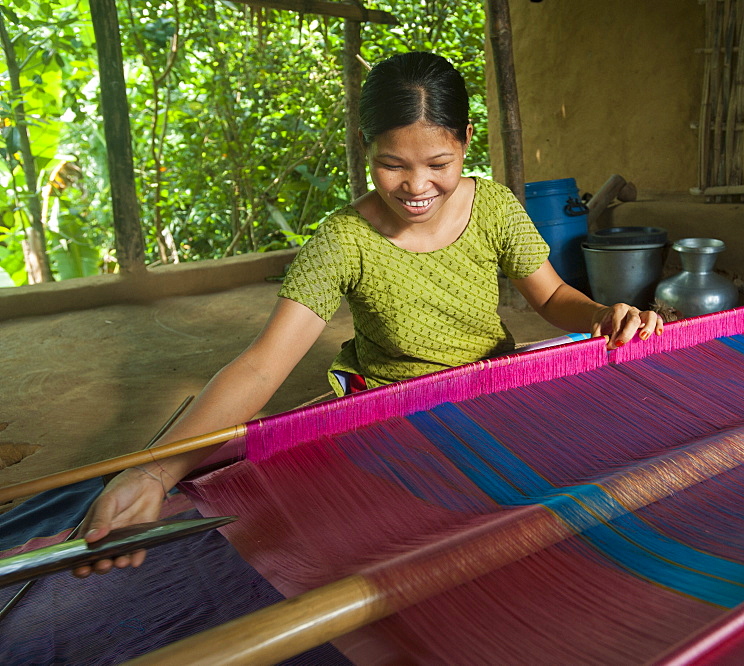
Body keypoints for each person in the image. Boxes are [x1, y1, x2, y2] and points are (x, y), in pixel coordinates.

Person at [73, 51, 663, 577]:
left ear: (465, 139)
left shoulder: (495, 208)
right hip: (384, 413)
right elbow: (261, 367)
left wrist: (603, 314)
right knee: (379, 544)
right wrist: (153, 474)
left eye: (437, 162)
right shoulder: (343, 241)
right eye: (392, 165)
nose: (416, 186)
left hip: (487, 391)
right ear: (365, 149)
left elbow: (553, 298)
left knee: (583, 505)